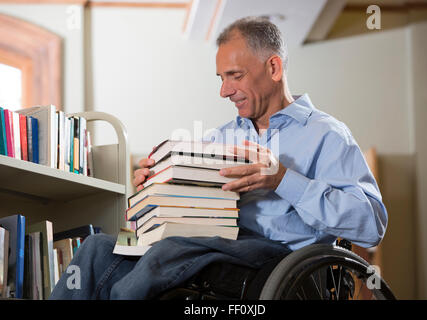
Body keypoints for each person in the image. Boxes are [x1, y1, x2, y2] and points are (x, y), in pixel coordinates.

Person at [50, 17, 387, 300]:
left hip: (279, 261)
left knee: (166, 255)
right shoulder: (218, 138)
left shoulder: (326, 134)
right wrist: (153, 194)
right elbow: (180, 214)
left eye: (234, 76)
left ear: (273, 67)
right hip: (208, 247)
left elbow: (371, 226)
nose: (224, 91)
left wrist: (282, 179)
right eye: (221, 78)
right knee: (96, 249)